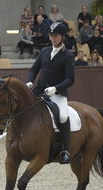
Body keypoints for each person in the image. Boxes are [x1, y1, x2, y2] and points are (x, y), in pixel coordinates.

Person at [26, 22, 74, 164]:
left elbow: (70, 79)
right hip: (39, 90)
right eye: (51, 35)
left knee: (64, 116)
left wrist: (56, 88)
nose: (53, 38)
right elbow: (33, 69)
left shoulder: (68, 56)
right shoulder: (44, 51)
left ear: (62, 36)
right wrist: (30, 81)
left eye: (56, 36)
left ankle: (66, 150)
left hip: (57, 94)